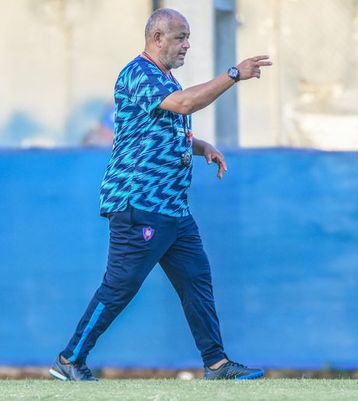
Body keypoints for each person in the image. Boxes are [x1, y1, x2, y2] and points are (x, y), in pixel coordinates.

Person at [49, 8, 272, 381]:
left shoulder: (166, 79)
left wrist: (202, 147)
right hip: (139, 205)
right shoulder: (138, 72)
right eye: (180, 37)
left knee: (196, 280)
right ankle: (69, 359)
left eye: (188, 37)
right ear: (157, 39)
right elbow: (185, 104)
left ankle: (216, 364)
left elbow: (164, 128)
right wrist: (233, 74)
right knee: (120, 286)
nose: (187, 45)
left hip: (172, 210)